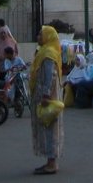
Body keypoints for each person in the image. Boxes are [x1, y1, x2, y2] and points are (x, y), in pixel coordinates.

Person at [31, 25, 64, 175]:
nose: (38, 37)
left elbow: (50, 75)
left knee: (49, 127)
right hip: (46, 93)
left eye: (40, 34)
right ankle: (50, 161)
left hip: (48, 96)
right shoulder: (44, 51)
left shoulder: (49, 53)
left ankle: (52, 163)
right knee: (47, 126)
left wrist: (45, 94)